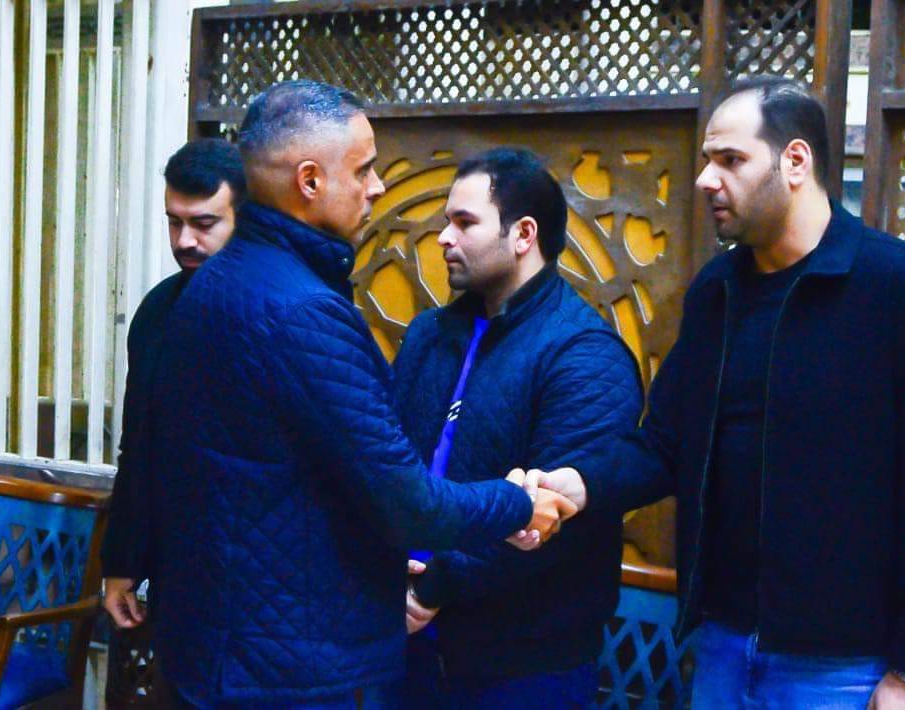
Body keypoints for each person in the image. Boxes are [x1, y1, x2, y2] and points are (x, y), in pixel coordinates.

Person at [538, 76, 905, 709]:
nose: (706, 179)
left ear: (795, 161)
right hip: (723, 644)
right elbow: (667, 443)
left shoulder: (903, 291)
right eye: (707, 160)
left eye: (730, 159)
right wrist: (581, 484)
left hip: (847, 666)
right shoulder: (718, 291)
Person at [143, 81, 580, 708]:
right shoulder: (303, 311)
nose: (377, 187)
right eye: (364, 169)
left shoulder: (213, 285)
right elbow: (405, 503)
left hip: (220, 642)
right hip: (285, 665)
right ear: (310, 180)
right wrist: (517, 504)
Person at [394, 148, 643, 708]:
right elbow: (392, 464)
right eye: (446, 221)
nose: (443, 238)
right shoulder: (429, 334)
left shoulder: (584, 354)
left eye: (465, 222)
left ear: (523, 234)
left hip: (522, 663)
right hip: (408, 642)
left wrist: (437, 585)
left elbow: (555, 519)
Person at [102, 138, 245, 629]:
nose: (185, 240)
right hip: (178, 570)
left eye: (204, 224)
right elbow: (138, 445)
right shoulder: (158, 310)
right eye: (174, 222)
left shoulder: (281, 311)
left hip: (261, 574)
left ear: (243, 220)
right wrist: (122, 562)